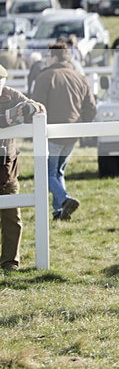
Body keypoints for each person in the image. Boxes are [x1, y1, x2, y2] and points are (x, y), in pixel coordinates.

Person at [31, 43, 96, 221]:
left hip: (51, 133)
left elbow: (36, 107)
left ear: (52, 57)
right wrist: (81, 125)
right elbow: (91, 108)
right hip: (72, 133)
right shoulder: (79, 77)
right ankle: (59, 211)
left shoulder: (45, 77)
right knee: (58, 172)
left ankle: (64, 200)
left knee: (47, 173)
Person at [0, 65, 45, 271]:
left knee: (12, 217)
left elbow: (39, 108)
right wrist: (11, 117)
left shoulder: (12, 95)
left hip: (6, 169)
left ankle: (10, 262)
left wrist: (28, 109)